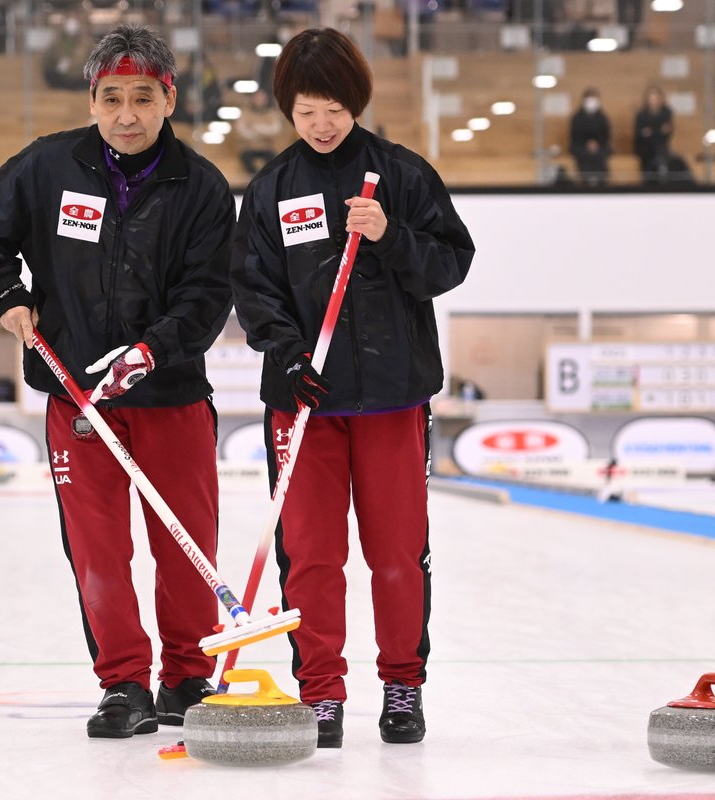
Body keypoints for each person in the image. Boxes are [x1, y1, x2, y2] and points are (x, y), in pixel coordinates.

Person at [0, 24, 236, 740]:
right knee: (98, 550)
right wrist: (8, 294)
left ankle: (185, 677)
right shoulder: (47, 167)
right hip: (79, 401)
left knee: (184, 546)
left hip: (171, 398)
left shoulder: (202, 187)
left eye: (142, 97)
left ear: (169, 99)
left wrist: (151, 351)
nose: (126, 114)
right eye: (111, 98)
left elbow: (208, 295)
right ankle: (123, 683)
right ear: (91, 100)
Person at [229, 28, 474, 749]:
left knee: (396, 553)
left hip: (393, 398)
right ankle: (321, 692)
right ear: (288, 110)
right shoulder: (271, 189)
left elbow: (450, 264)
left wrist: (391, 235)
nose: (321, 124)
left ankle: (402, 686)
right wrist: (288, 355)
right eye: (306, 111)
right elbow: (253, 290)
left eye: (333, 109)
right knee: (311, 555)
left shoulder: (401, 175)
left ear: (356, 102)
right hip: (304, 405)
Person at [235, 89, 284, 175]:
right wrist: (264, 131)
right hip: (249, 147)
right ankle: (254, 178)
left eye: (261, 99)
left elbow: (275, 130)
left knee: (274, 161)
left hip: (267, 147)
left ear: (266, 100)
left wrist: (255, 128)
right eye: (257, 98)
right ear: (252, 99)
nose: (259, 101)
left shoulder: (272, 114)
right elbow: (242, 131)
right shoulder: (245, 113)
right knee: (245, 158)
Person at [568, 87, 611, 187]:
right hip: (581, 147)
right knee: (583, 157)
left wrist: (596, 144)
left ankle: (601, 182)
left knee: (601, 156)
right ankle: (585, 182)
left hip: (599, 148)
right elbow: (575, 136)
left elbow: (606, 136)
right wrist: (587, 144)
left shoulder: (602, 118)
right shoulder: (577, 118)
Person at [633, 85, 672, 183]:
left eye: (655, 96)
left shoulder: (666, 113)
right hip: (645, 148)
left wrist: (652, 132)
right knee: (649, 156)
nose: (653, 100)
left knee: (661, 153)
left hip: (660, 147)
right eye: (651, 97)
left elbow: (666, 132)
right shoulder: (641, 115)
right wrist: (656, 131)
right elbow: (640, 133)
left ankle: (662, 172)